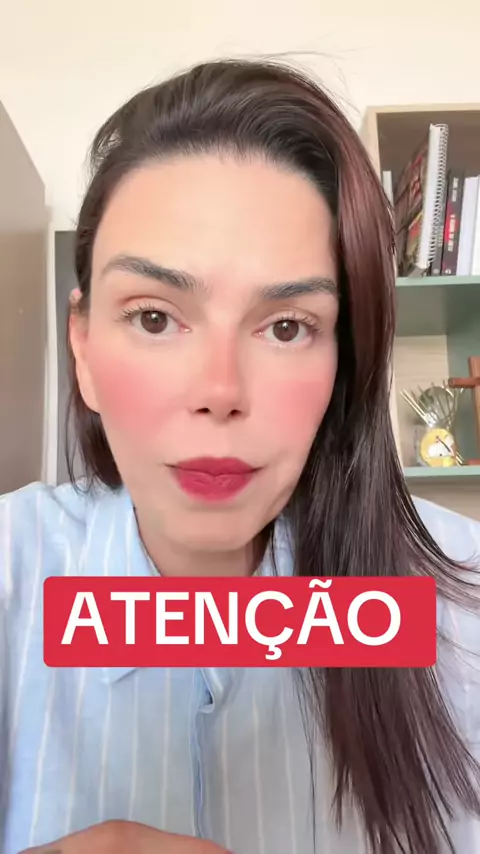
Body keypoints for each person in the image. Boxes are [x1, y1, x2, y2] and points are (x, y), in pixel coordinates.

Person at [1, 58, 479, 854]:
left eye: (287, 327)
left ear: (343, 363)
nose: (220, 391)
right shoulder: (12, 572)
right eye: (155, 318)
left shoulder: (460, 603)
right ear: (82, 348)